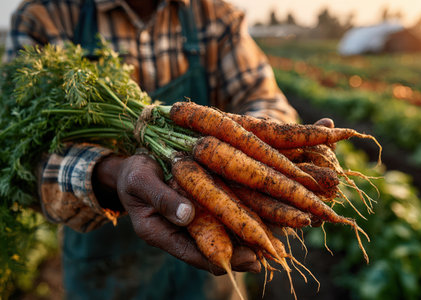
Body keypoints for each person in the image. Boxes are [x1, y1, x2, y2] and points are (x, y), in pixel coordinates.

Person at [5, 0, 330, 299]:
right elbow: (20, 154)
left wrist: (265, 158)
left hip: (214, 271)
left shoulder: (215, 14)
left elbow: (264, 98)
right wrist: (113, 172)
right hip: (106, 277)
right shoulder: (43, 16)